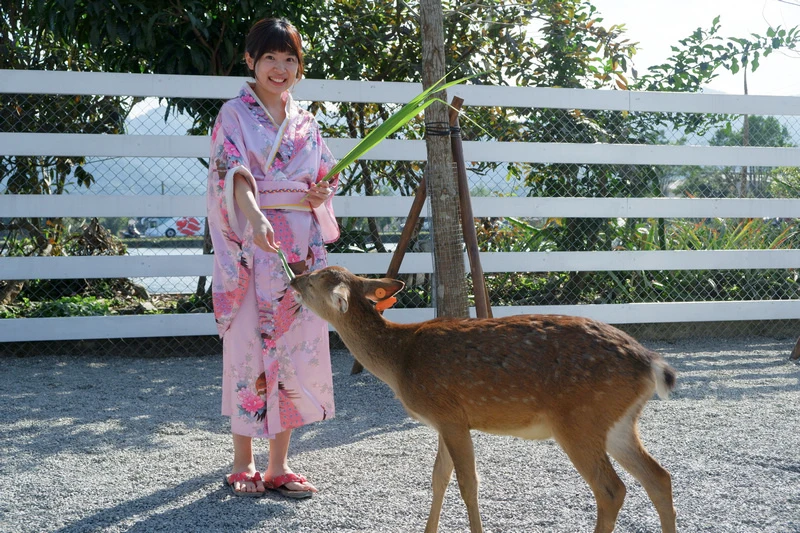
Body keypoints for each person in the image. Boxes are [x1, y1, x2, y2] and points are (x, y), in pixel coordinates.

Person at [206, 17, 340, 498]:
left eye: (290, 59)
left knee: (294, 350)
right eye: (270, 58)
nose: (279, 69)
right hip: (252, 246)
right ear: (250, 61)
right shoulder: (234, 115)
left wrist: (319, 191)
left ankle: (279, 465)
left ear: (299, 67)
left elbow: (323, 176)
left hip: (299, 252)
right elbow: (231, 172)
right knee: (247, 351)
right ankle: (243, 461)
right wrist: (256, 218)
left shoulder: (307, 121)